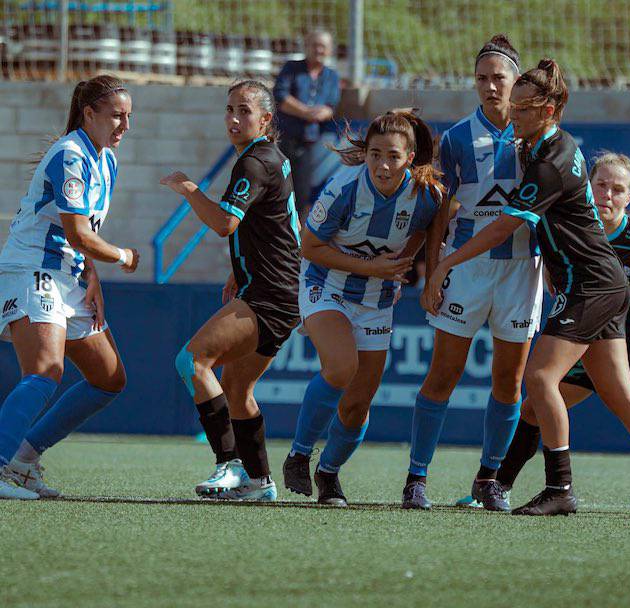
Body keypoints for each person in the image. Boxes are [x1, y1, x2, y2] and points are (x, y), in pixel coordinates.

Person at [423, 58, 630, 519]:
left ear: (549, 111)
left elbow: (503, 228)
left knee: (539, 379)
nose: (513, 114)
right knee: (617, 392)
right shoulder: (542, 145)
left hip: (589, 285)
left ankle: (560, 487)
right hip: (601, 282)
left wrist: (444, 264)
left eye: (524, 108)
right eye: (513, 105)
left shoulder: (550, 159)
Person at [495, 152, 630, 503]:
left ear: (629, 197)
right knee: (534, 407)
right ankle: (498, 486)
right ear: (587, 187)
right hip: (593, 338)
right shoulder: (572, 232)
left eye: (617, 189)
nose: (607, 194)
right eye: (600, 185)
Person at [401, 35, 543, 511]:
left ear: (516, 81)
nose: (489, 86)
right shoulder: (459, 137)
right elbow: (440, 207)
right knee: (444, 372)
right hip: (467, 266)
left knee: (510, 380)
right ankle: (416, 478)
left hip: (523, 270)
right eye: (481, 78)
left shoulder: (539, 138)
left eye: (498, 77)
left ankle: (489, 480)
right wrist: (434, 267)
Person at [282, 110, 442, 506]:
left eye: (392, 155)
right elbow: (309, 246)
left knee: (357, 405)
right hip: (326, 285)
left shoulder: (425, 195)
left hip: (376, 300)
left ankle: (329, 474)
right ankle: (299, 454)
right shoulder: (344, 187)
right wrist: (374, 266)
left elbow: (426, 226)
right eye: (374, 154)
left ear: (409, 159)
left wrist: (404, 264)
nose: (382, 165)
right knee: (340, 368)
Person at [161, 80, 300, 502]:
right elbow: (279, 226)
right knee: (238, 390)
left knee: (192, 361)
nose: (234, 119)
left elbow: (225, 223)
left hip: (271, 294)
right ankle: (260, 482)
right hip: (279, 288)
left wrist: (189, 190)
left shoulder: (254, 162)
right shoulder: (269, 158)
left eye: (244, 110)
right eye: (229, 110)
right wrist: (243, 268)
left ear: (265, 119)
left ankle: (230, 465)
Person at [0, 75, 138, 500]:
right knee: (45, 370)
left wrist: (92, 274)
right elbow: (79, 234)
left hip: (71, 275)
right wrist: (122, 257)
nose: (124, 126)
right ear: (89, 113)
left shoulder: (107, 159)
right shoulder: (70, 154)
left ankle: (22, 461)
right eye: (116, 115)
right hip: (32, 269)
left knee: (108, 377)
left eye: (129, 116)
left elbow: (83, 232)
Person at [273, 29, 341, 216]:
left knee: (301, 196)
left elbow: (331, 106)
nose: (319, 50)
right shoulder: (292, 68)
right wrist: (306, 112)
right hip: (282, 140)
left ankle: (295, 239)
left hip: (307, 143)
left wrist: (322, 113)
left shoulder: (331, 76)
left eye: (323, 46)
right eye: (315, 45)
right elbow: (280, 97)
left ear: (330, 50)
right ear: (307, 47)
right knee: (276, 190)